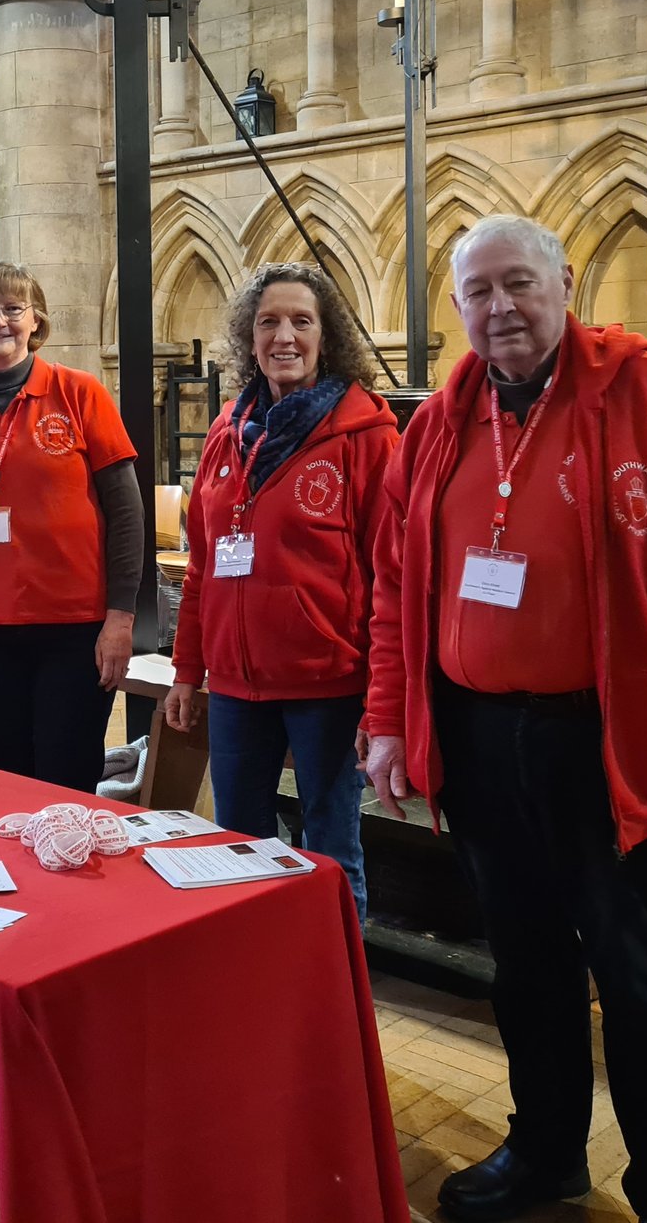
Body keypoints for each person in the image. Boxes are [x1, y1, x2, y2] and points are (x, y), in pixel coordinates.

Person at [361, 215, 647, 1223]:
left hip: (608, 741)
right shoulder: (436, 424)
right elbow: (392, 587)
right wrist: (387, 721)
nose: (499, 307)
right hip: (477, 739)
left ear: (563, 285)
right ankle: (545, 1151)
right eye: (478, 291)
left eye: (518, 283)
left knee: (641, 982)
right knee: (525, 965)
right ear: (456, 307)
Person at [160, 262, 397, 922]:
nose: (283, 336)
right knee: (238, 845)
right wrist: (189, 670)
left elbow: (392, 578)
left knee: (331, 848)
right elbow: (204, 566)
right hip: (237, 685)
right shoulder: (227, 433)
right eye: (268, 322)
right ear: (250, 336)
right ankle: (257, 968)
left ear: (326, 336)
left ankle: (336, 977)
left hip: (328, 682)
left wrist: (383, 701)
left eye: (301, 321)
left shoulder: (367, 437)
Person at [0, 261, 144, 791]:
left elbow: (127, 514)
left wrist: (120, 619)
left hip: (74, 625)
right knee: (5, 772)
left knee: (68, 771)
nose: (0, 320)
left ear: (36, 320)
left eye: (14, 308)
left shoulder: (79, 393)